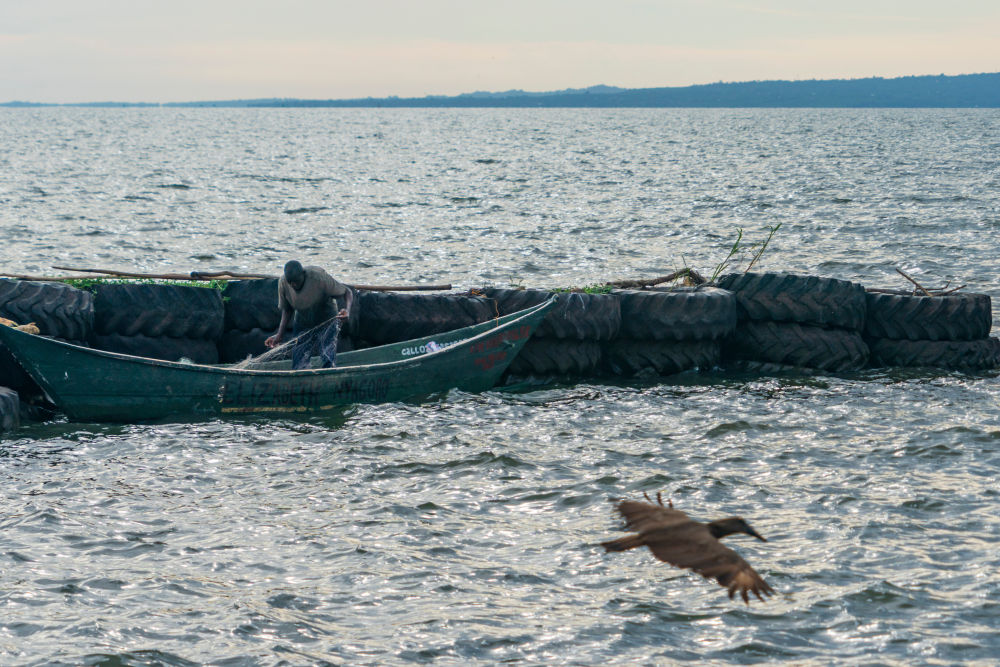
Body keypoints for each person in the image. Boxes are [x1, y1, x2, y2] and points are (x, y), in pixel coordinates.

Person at [265, 260, 354, 349]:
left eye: (296, 281)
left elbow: (347, 292)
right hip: (302, 321)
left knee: (327, 353)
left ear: (303, 274)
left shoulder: (319, 278)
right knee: (299, 353)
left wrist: (347, 310)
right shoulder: (283, 283)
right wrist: (279, 335)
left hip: (327, 319)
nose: (293, 285)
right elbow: (287, 310)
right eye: (290, 282)